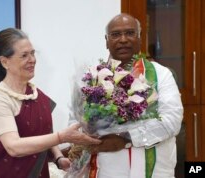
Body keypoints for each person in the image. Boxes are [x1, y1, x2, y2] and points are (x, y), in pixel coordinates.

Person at [68, 13, 183, 178]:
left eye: (130, 33)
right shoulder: (89, 80)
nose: (123, 39)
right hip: (106, 170)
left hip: (154, 172)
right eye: (115, 35)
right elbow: (75, 124)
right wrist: (86, 140)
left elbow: (171, 121)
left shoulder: (161, 74)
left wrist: (126, 138)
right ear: (106, 41)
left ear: (139, 38)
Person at [0, 28, 101, 178]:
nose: (32, 60)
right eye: (24, 55)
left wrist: (58, 158)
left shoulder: (36, 94)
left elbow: (45, 132)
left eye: (32, 53)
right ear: (5, 61)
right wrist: (62, 137)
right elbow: (13, 146)